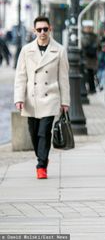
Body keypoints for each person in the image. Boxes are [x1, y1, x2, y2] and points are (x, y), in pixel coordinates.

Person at [14, 16, 70, 179]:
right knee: (33, 132)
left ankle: (41, 165)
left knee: (44, 132)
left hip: (50, 97)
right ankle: (42, 157)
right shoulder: (26, 50)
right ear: (34, 31)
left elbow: (64, 78)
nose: (43, 32)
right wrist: (19, 98)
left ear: (50, 29)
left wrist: (65, 101)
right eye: (39, 30)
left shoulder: (59, 50)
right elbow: (21, 76)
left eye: (45, 29)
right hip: (31, 99)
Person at [81, 20, 98, 94]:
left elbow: (97, 46)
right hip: (85, 59)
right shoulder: (82, 36)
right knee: (85, 75)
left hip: (92, 59)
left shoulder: (95, 37)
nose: (88, 29)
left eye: (90, 27)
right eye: (87, 27)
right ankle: (85, 89)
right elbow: (83, 45)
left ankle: (92, 89)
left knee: (91, 75)